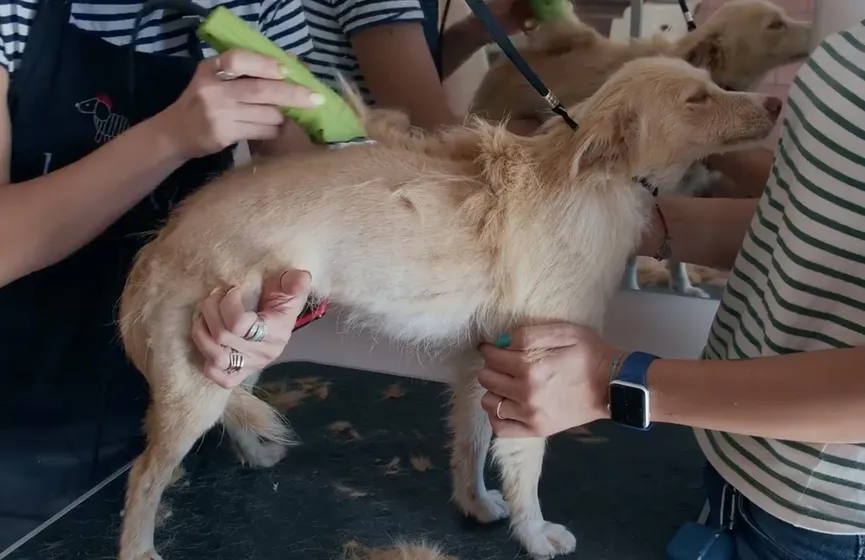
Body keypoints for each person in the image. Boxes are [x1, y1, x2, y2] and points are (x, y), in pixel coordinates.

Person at [475, 19, 865, 560]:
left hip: (819, 516)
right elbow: (827, 226)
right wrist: (630, 223)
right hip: (731, 458)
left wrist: (615, 381)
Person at [0, 0, 322, 546]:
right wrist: (169, 137)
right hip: (15, 423)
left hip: (182, 408)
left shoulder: (264, 8)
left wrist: (271, 318)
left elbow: (309, 204)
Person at [297, 0, 534, 129]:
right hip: (349, 180)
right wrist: (553, 135)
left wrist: (474, 31)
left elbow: (396, 85)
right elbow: (427, 126)